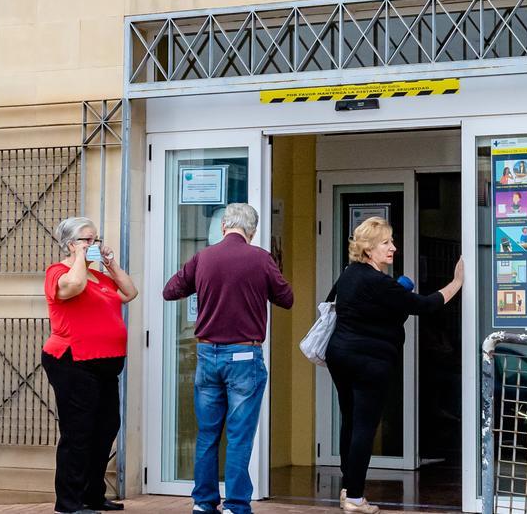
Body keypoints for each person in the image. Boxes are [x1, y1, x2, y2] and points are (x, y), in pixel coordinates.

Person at [325, 217, 463, 513]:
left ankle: (348, 488)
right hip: (369, 360)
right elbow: (425, 306)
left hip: (340, 355)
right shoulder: (379, 282)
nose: (393, 248)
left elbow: (357, 310)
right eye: (386, 243)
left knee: (349, 421)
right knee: (364, 426)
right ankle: (355, 498)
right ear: (368, 249)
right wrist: (457, 282)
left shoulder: (349, 275)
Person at [163, 203, 293, 514]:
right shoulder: (260, 259)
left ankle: (204, 503)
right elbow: (286, 299)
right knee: (239, 435)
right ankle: (235, 504)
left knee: (207, 434)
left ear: (223, 226)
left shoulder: (203, 257)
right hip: (244, 356)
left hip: (207, 354)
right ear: (253, 230)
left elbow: (170, 291)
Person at [43, 217, 138, 514]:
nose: (94, 244)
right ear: (71, 243)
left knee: (107, 427)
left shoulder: (102, 278)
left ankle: (93, 494)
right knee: (79, 432)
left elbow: (129, 292)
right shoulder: (59, 272)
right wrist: (80, 258)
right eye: (87, 239)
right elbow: (73, 286)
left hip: (105, 365)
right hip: (73, 362)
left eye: (96, 239)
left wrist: (110, 264)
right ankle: (69, 503)